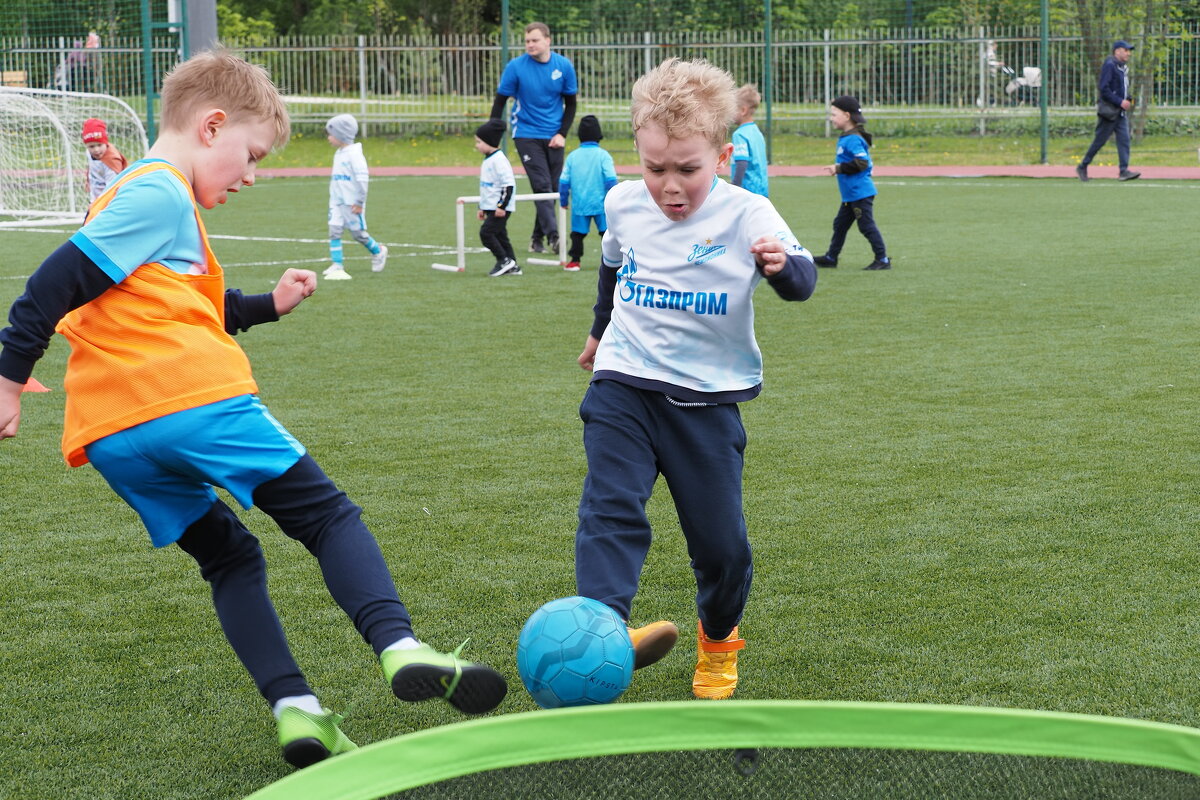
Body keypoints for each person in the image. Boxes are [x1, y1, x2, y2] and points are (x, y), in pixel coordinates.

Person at [0, 49, 506, 770]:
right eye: (250, 154)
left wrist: (269, 305)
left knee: (230, 559)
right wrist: (8, 376)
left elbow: (184, 308)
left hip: (111, 430)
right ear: (211, 126)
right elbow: (52, 282)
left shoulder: (134, 199)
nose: (251, 175)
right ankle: (400, 647)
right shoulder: (161, 191)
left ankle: (297, 710)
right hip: (191, 402)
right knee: (328, 517)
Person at [574, 58, 817, 701]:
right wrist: (600, 334)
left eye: (688, 169)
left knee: (722, 547)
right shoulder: (623, 203)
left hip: (705, 402)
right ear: (638, 155)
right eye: (656, 169)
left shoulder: (747, 213)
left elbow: (803, 281)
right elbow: (612, 269)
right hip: (623, 382)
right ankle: (602, 631)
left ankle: (717, 641)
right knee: (610, 506)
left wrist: (779, 267)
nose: (670, 186)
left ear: (723, 155)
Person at [490, 22, 578, 256]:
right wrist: (493, 134)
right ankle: (555, 236)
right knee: (541, 186)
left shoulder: (564, 66)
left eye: (534, 40)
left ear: (547, 41)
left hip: (554, 136)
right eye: (527, 41)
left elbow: (571, 105)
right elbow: (500, 101)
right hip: (526, 134)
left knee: (552, 189)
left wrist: (562, 134)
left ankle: (536, 238)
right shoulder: (516, 67)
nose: (530, 45)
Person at [812, 95, 891, 271]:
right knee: (839, 225)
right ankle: (831, 257)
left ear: (847, 116)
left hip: (860, 193)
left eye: (834, 114)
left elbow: (862, 163)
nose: (831, 118)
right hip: (850, 195)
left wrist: (838, 168)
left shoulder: (854, 139)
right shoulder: (847, 137)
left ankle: (883, 259)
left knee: (866, 226)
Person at [322, 113, 387, 280]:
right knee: (334, 231)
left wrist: (359, 202)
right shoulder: (340, 153)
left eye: (331, 134)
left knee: (358, 234)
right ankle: (337, 264)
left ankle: (378, 251)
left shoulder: (355, 155)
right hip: (336, 202)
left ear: (340, 135)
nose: (329, 138)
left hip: (352, 204)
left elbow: (362, 180)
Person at [558, 114, 617, 271]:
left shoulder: (572, 157)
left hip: (580, 203)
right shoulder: (603, 156)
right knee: (607, 233)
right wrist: (614, 199)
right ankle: (613, 261)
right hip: (602, 204)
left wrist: (563, 201)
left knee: (577, 234)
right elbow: (611, 180)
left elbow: (563, 182)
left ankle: (575, 261)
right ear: (599, 135)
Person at [1076, 40, 1141, 182]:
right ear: (1117, 51)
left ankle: (1124, 170)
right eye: (1126, 50)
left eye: (1129, 51)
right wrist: (1119, 101)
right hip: (1110, 112)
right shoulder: (1110, 65)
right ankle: (1083, 165)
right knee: (1099, 141)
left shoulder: (1122, 67)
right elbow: (1104, 88)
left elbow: (1120, 88)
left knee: (1124, 140)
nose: (1128, 53)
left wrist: (1127, 98)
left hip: (1120, 113)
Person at [475, 118, 520, 277]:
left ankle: (503, 260)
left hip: (499, 208)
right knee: (501, 236)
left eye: (479, 142)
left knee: (486, 234)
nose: (477, 145)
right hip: (490, 207)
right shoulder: (488, 160)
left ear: (489, 141)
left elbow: (508, 185)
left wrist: (502, 206)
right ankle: (513, 264)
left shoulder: (499, 160)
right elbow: (486, 187)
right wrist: (481, 207)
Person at [730, 84, 769, 197]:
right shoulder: (757, 132)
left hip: (747, 192)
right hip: (761, 190)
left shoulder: (739, 135)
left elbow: (742, 163)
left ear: (743, 110)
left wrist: (734, 188)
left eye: (733, 109)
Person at [81, 117, 128, 203]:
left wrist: (102, 204)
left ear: (105, 142)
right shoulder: (89, 153)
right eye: (91, 146)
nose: (96, 150)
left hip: (110, 200)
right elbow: (91, 167)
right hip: (96, 197)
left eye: (99, 145)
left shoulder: (112, 161)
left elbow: (112, 187)